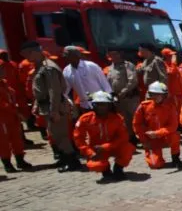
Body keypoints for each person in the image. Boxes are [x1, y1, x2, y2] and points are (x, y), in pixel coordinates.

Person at [21, 41, 81, 172]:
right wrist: (37, 104)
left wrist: (54, 111)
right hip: (47, 106)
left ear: (35, 52)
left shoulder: (48, 68)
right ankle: (65, 158)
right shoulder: (40, 67)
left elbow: (54, 91)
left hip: (55, 106)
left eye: (27, 54)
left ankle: (72, 161)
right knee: (54, 134)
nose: (26, 58)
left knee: (61, 135)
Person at [73, 91, 134, 181]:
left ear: (109, 106)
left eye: (103, 104)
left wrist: (106, 146)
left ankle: (118, 169)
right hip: (97, 149)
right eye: (97, 104)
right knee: (95, 165)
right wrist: (90, 152)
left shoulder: (118, 118)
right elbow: (78, 138)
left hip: (113, 146)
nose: (100, 107)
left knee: (128, 148)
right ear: (93, 105)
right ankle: (105, 170)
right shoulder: (85, 119)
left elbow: (123, 137)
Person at [132, 82, 182, 169]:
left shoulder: (170, 107)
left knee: (175, 135)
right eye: (153, 94)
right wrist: (144, 140)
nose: (155, 97)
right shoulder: (144, 106)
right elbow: (136, 124)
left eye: (158, 94)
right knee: (154, 165)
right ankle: (157, 157)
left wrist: (157, 133)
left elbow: (173, 126)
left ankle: (176, 158)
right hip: (151, 139)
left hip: (164, 136)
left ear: (164, 95)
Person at [0, 65, 32, 173]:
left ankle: (20, 160)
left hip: (12, 117)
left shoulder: (4, 84)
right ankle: (7, 164)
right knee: (3, 142)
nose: (3, 70)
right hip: (2, 119)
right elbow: (3, 104)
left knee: (17, 139)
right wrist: (16, 112)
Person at [62, 46, 112, 112]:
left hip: (101, 104)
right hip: (84, 106)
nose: (64, 57)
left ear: (77, 56)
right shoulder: (66, 71)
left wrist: (109, 101)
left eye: (67, 55)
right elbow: (65, 90)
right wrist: (70, 102)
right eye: (64, 55)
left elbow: (105, 85)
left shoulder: (91, 66)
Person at [104, 49, 139, 144]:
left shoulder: (127, 65)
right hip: (118, 99)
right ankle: (131, 138)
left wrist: (123, 92)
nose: (113, 56)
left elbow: (133, 80)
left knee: (136, 118)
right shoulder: (110, 68)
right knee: (124, 120)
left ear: (120, 54)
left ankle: (143, 136)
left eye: (115, 54)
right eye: (110, 54)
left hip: (129, 97)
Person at [161, 48, 182, 114]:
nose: (172, 57)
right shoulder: (164, 65)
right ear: (166, 57)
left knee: (180, 112)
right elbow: (171, 72)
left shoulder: (173, 66)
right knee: (174, 113)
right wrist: (174, 63)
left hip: (179, 94)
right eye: (170, 55)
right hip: (172, 95)